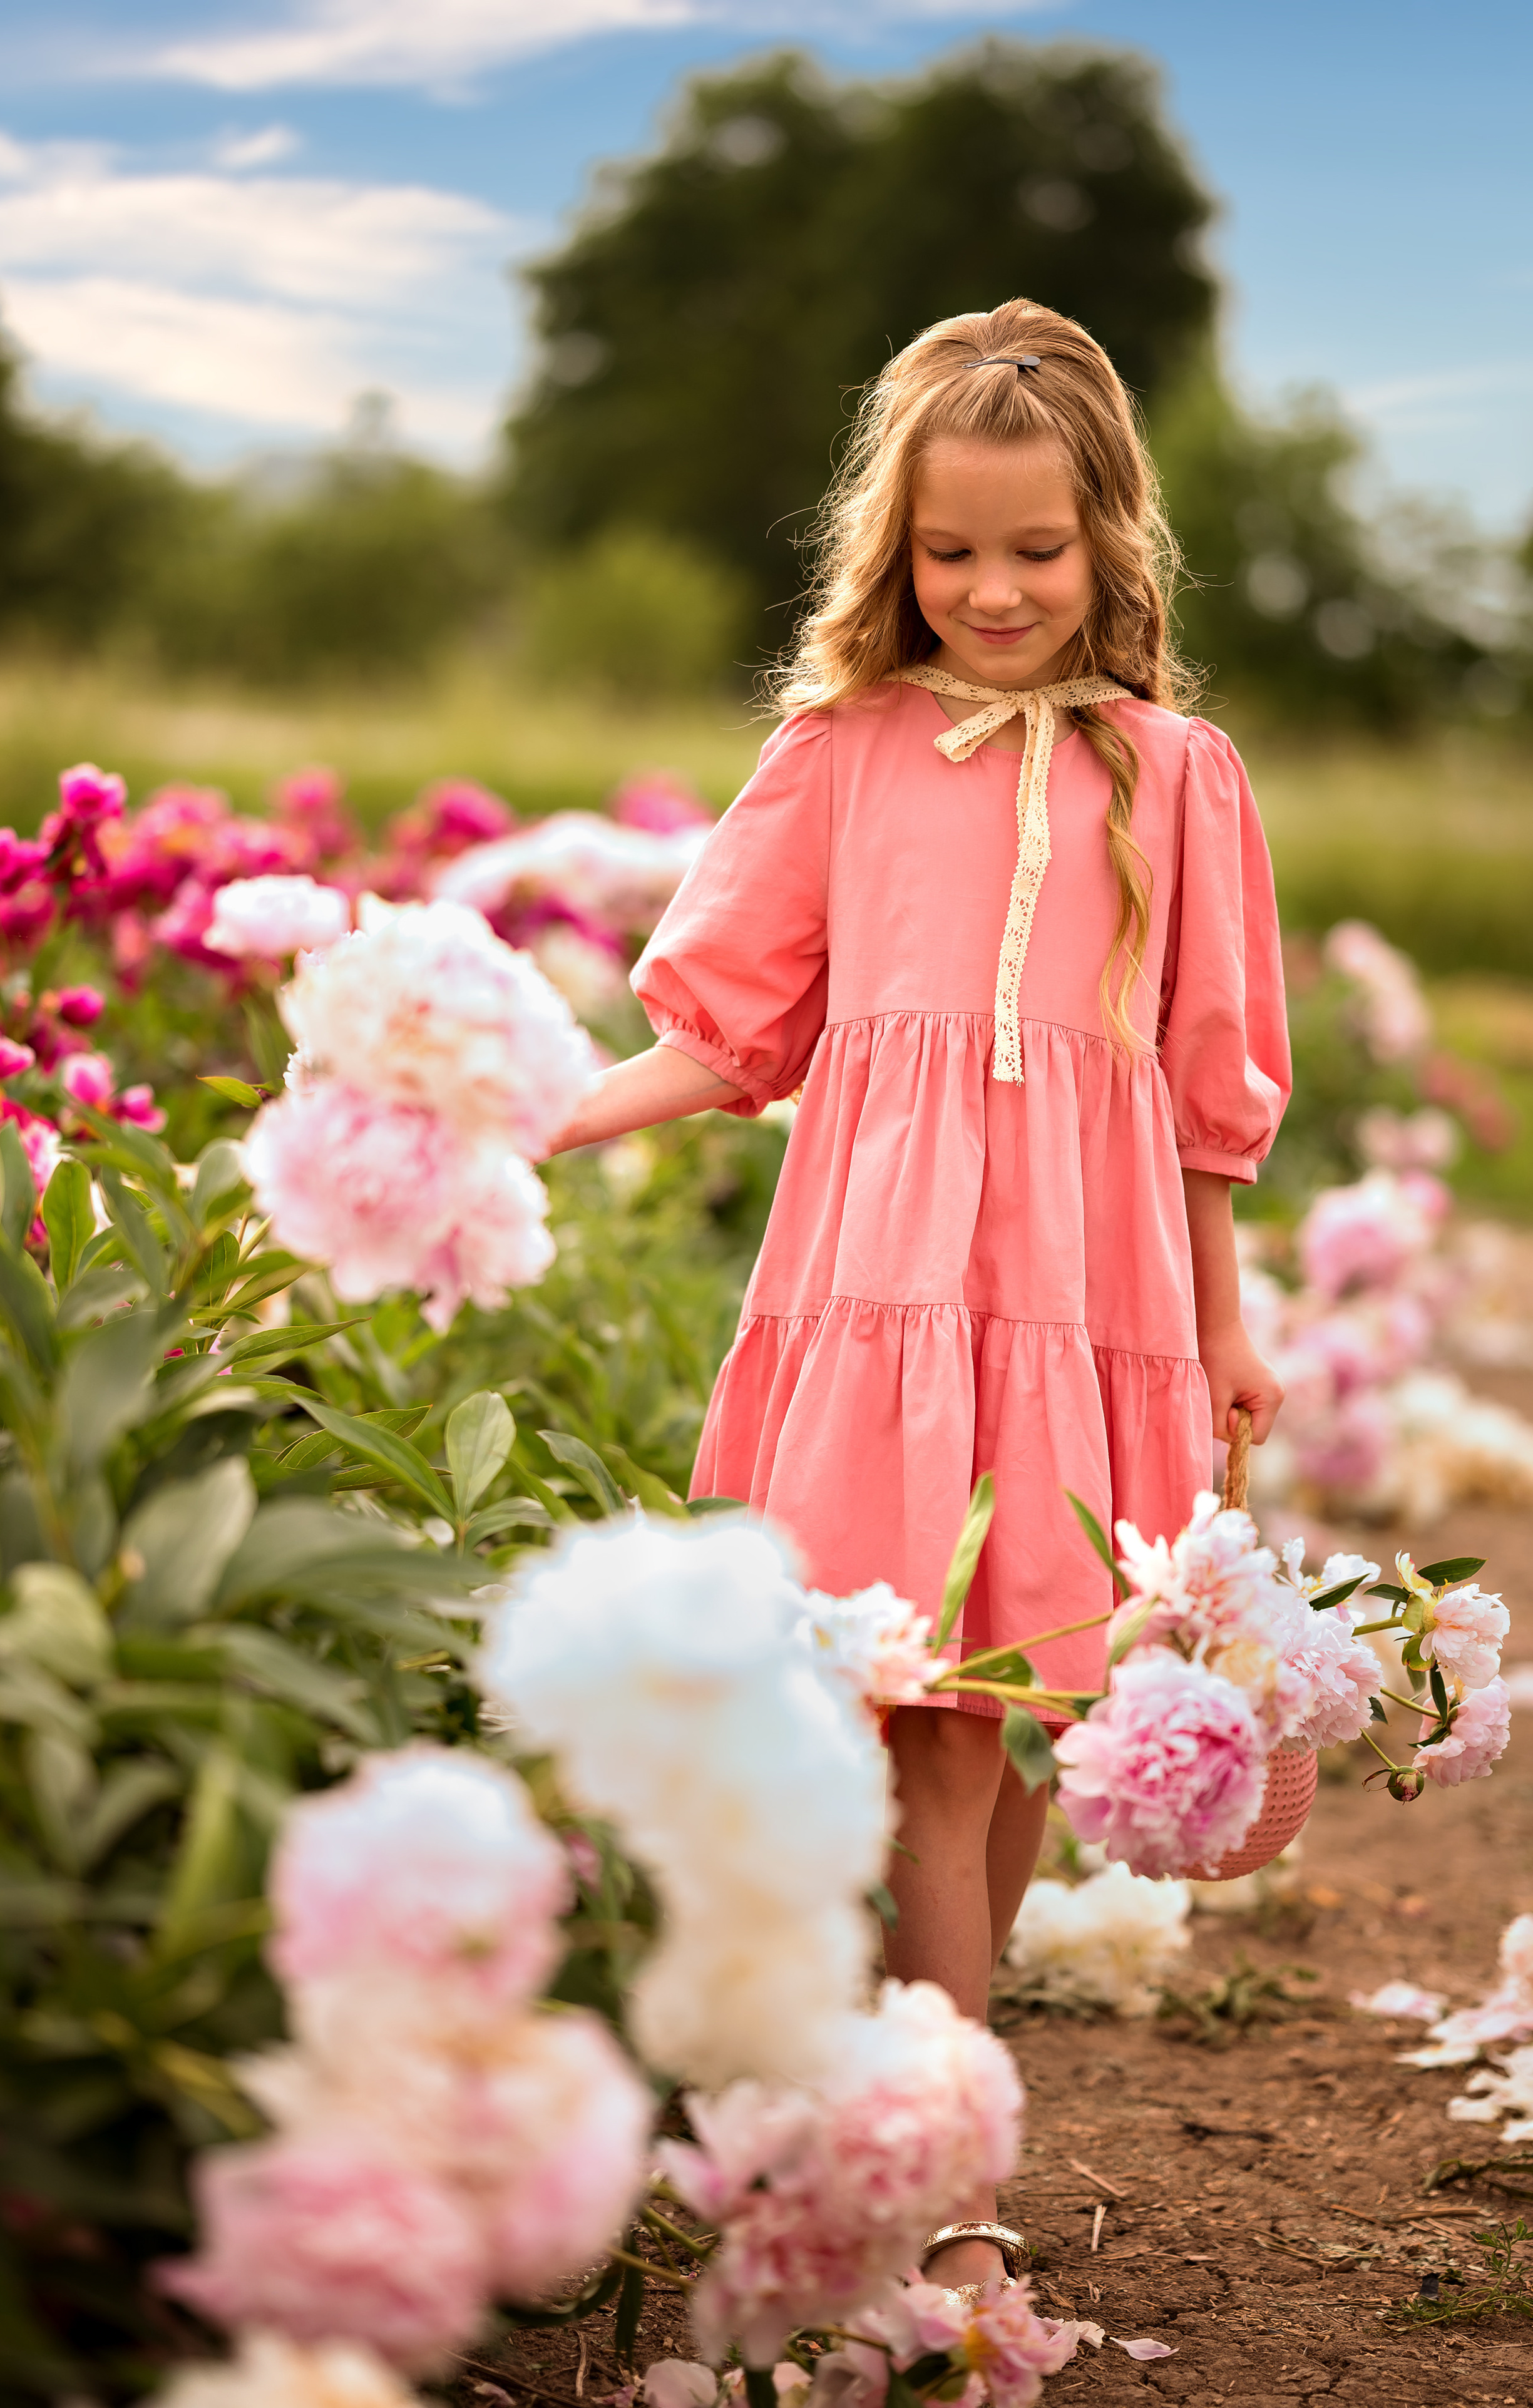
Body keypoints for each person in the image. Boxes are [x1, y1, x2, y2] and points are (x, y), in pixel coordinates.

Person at [545, 299, 1289, 2298]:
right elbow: (731, 1031)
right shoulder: (840, 752)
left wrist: (1223, 1326)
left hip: (1093, 1294)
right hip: (879, 1291)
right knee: (926, 1746)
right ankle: (951, 2203)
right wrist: (547, 1124)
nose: (992, 590)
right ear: (897, 551)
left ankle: (928, 2105)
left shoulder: (1183, 772)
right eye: (950, 553)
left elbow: (1215, 1100)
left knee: (1020, 1721)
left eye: (1034, 551)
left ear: (1107, 540)